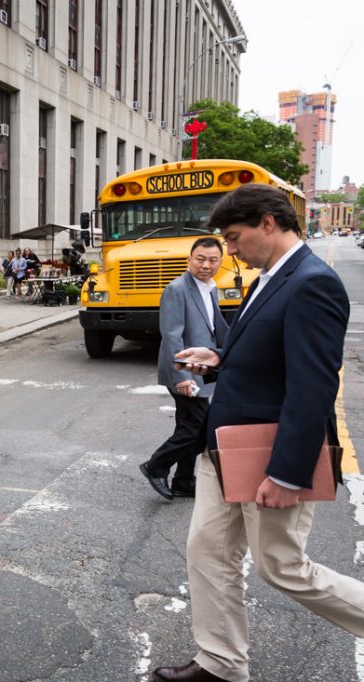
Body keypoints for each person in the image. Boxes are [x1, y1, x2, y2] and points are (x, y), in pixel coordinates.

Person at [154, 183, 364, 682]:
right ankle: (221, 663)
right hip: (225, 449)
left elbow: (312, 386)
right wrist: (220, 359)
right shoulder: (268, 277)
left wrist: (288, 473)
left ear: (268, 224)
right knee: (208, 554)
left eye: (233, 236)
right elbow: (268, 354)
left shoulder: (313, 281)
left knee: (283, 567)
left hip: (267, 454)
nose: (228, 250)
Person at [138, 238, 228, 501]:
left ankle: (184, 480)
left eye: (213, 260)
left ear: (220, 263)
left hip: (204, 370)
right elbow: (172, 336)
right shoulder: (177, 289)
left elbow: (216, 327)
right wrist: (182, 377)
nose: (206, 265)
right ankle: (156, 466)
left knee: (192, 425)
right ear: (189, 259)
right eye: (200, 258)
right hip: (184, 371)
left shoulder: (210, 288)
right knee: (198, 426)